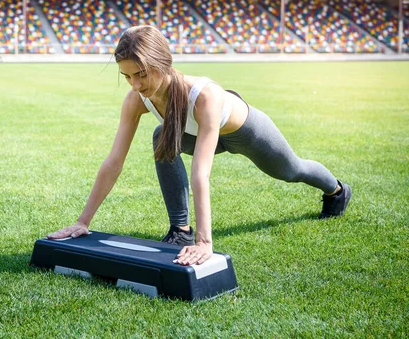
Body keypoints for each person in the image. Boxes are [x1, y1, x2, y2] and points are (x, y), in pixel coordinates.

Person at [47, 25, 351, 266]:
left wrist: (206, 242)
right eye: (127, 76)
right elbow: (114, 162)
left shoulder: (205, 96)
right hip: (194, 135)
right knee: (160, 135)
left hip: (246, 132)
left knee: (291, 170)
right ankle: (180, 231)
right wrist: (82, 221)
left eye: (142, 74)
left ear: (164, 63)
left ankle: (337, 190)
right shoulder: (135, 99)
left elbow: (200, 174)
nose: (136, 84)